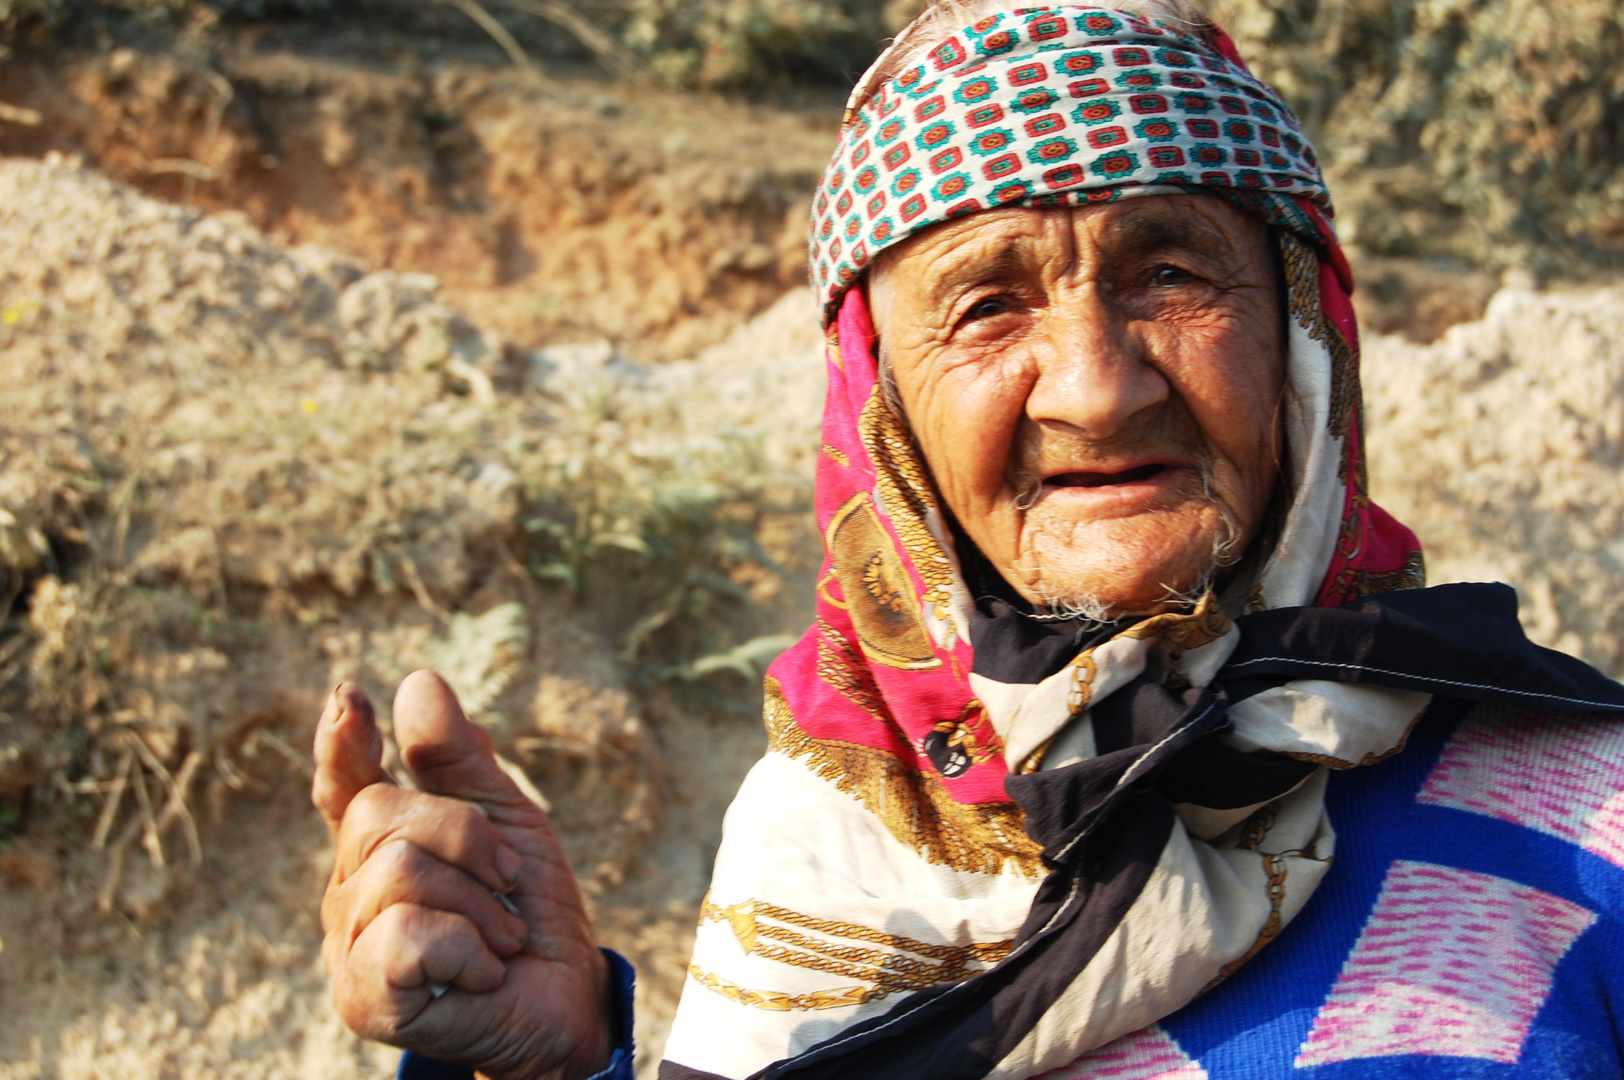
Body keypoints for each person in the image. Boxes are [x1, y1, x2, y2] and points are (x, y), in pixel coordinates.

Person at [311, 3, 1624, 1078]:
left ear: (1301, 341)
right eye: (989, 306)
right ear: (885, 417)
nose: (1097, 389)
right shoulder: (826, 839)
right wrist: (551, 1067)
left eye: (1170, 275)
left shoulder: (1588, 811)